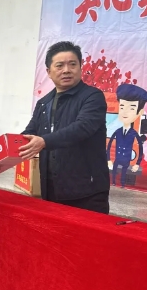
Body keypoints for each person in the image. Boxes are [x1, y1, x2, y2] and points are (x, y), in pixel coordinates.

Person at [20, 41, 110, 214]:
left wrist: (44, 141)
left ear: (80, 67)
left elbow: (83, 127)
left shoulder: (92, 97)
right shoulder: (43, 103)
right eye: (60, 65)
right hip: (51, 188)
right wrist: (6, 148)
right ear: (49, 72)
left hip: (87, 191)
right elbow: (30, 132)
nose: (66, 70)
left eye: (72, 64)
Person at [107, 84, 147, 188]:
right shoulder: (117, 131)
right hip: (116, 160)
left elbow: (140, 148)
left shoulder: (134, 133)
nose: (125, 112)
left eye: (131, 108)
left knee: (125, 174)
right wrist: (108, 159)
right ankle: (114, 182)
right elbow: (109, 145)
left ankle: (122, 184)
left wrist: (137, 163)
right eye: (122, 107)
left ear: (140, 112)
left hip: (126, 159)